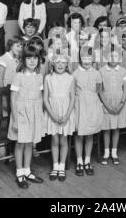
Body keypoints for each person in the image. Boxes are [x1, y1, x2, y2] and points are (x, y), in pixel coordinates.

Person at [8, 46, 45, 189]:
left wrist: (40, 115)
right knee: (20, 143)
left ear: (38, 60)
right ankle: (19, 173)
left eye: (35, 58)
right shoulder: (19, 76)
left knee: (30, 142)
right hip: (22, 113)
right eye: (28, 58)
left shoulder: (39, 76)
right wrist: (16, 120)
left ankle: (27, 171)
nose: (32, 61)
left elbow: (40, 97)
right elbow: (13, 98)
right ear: (23, 60)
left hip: (35, 112)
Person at [44, 54, 75, 182]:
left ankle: (62, 167)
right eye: (57, 62)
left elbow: (73, 98)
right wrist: (53, 115)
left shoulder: (70, 77)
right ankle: (55, 166)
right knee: (55, 140)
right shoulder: (48, 78)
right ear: (53, 64)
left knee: (64, 140)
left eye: (63, 62)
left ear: (67, 65)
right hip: (53, 112)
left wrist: (67, 115)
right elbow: (45, 98)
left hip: (66, 112)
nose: (60, 65)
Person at [73, 51, 104, 176]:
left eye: (89, 58)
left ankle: (87, 161)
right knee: (79, 134)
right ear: (80, 59)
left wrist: (91, 98)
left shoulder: (97, 73)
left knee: (90, 134)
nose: (86, 61)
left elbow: (98, 89)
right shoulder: (75, 73)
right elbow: (72, 91)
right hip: (80, 105)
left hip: (93, 105)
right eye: (84, 58)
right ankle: (79, 161)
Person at [99, 50, 126, 165]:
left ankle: (114, 152)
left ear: (119, 58)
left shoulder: (123, 71)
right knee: (106, 128)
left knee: (116, 128)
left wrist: (121, 103)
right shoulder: (101, 70)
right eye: (111, 55)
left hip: (119, 101)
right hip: (106, 102)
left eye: (116, 55)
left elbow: (125, 88)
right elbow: (100, 90)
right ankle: (106, 152)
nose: (113, 58)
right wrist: (106, 105)